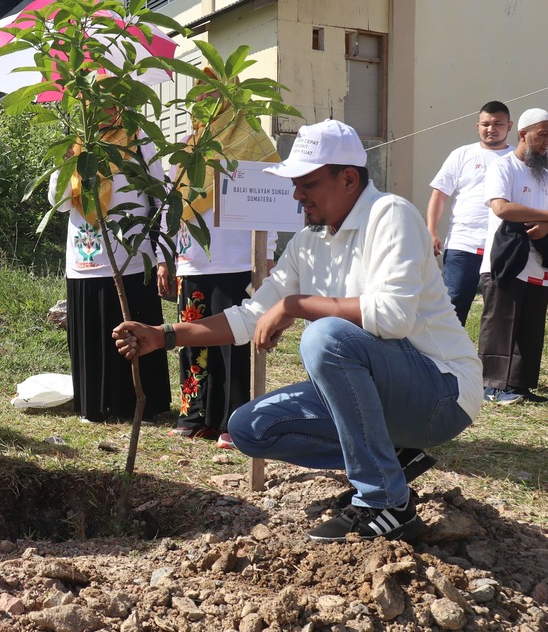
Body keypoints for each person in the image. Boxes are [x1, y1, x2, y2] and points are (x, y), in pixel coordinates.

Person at [114, 119, 481, 543]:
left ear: (347, 178)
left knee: (325, 336)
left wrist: (294, 305)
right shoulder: (310, 243)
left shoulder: (391, 215)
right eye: (294, 184)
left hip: (441, 392)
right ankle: (391, 460)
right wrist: (164, 336)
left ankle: (385, 502)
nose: (297, 195)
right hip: (391, 393)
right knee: (251, 428)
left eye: (307, 183)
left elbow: (392, 317)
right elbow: (250, 315)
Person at [158, 69, 278, 446]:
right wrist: (165, 257)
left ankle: (231, 420)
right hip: (191, 258)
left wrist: (268, 257)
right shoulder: (187, 144)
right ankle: (195, 416)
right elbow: (170, 204)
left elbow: (272, 201)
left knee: (232, 343)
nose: (204, 103)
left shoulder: (254, 141)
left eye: (213, 95)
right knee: (192, 341)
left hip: (238, 260)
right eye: (199, 97)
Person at [51, 116, 170, 423]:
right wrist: (65, 163)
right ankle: (94, 406)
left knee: (134, 331)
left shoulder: (137, 134)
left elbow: (162, 193)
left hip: (131, 255)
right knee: (91, 334)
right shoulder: (77, 140)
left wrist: (164, 252)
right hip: (84, 256)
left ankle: (141, 405)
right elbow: (59, 203)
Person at [477, 108, 548, 405]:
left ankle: (520, 385)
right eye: (542, 134)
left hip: (537, 262)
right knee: (501, 321)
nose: (547, 141)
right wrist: (546, 217)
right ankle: (492, 386)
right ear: (523, 134)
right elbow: (501, 208)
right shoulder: (503, 167)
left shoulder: (546, 175)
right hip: (507, 259)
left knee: (530, 325)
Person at [426, 101, 514, 326]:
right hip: (462, 244)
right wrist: (432, 231)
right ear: (477, 126)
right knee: (452, 306)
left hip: (502, 246)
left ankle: (489, 360)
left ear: (509, 126)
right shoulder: (462, 154)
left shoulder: (516, 159)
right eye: (485, 124)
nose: (491, 129)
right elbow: (439, 194)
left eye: (497, 124)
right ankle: (445, 359)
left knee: (499, 311)